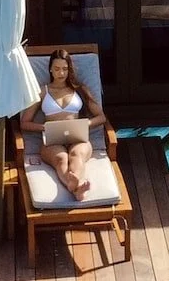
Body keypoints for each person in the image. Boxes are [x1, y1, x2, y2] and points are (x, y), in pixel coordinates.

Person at [19, 48, 105, 199]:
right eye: (57, 69)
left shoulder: (80, 90)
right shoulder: (43, 92)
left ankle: (74, 186)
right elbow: (24, 123)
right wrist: (45, 128)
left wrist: (86, 124)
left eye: (65, 69)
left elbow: (101, 117)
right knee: (62, 158)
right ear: (50, 69)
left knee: (76, 154)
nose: (61, 73)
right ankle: (77, 187)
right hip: (52, 140)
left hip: (77, 137)